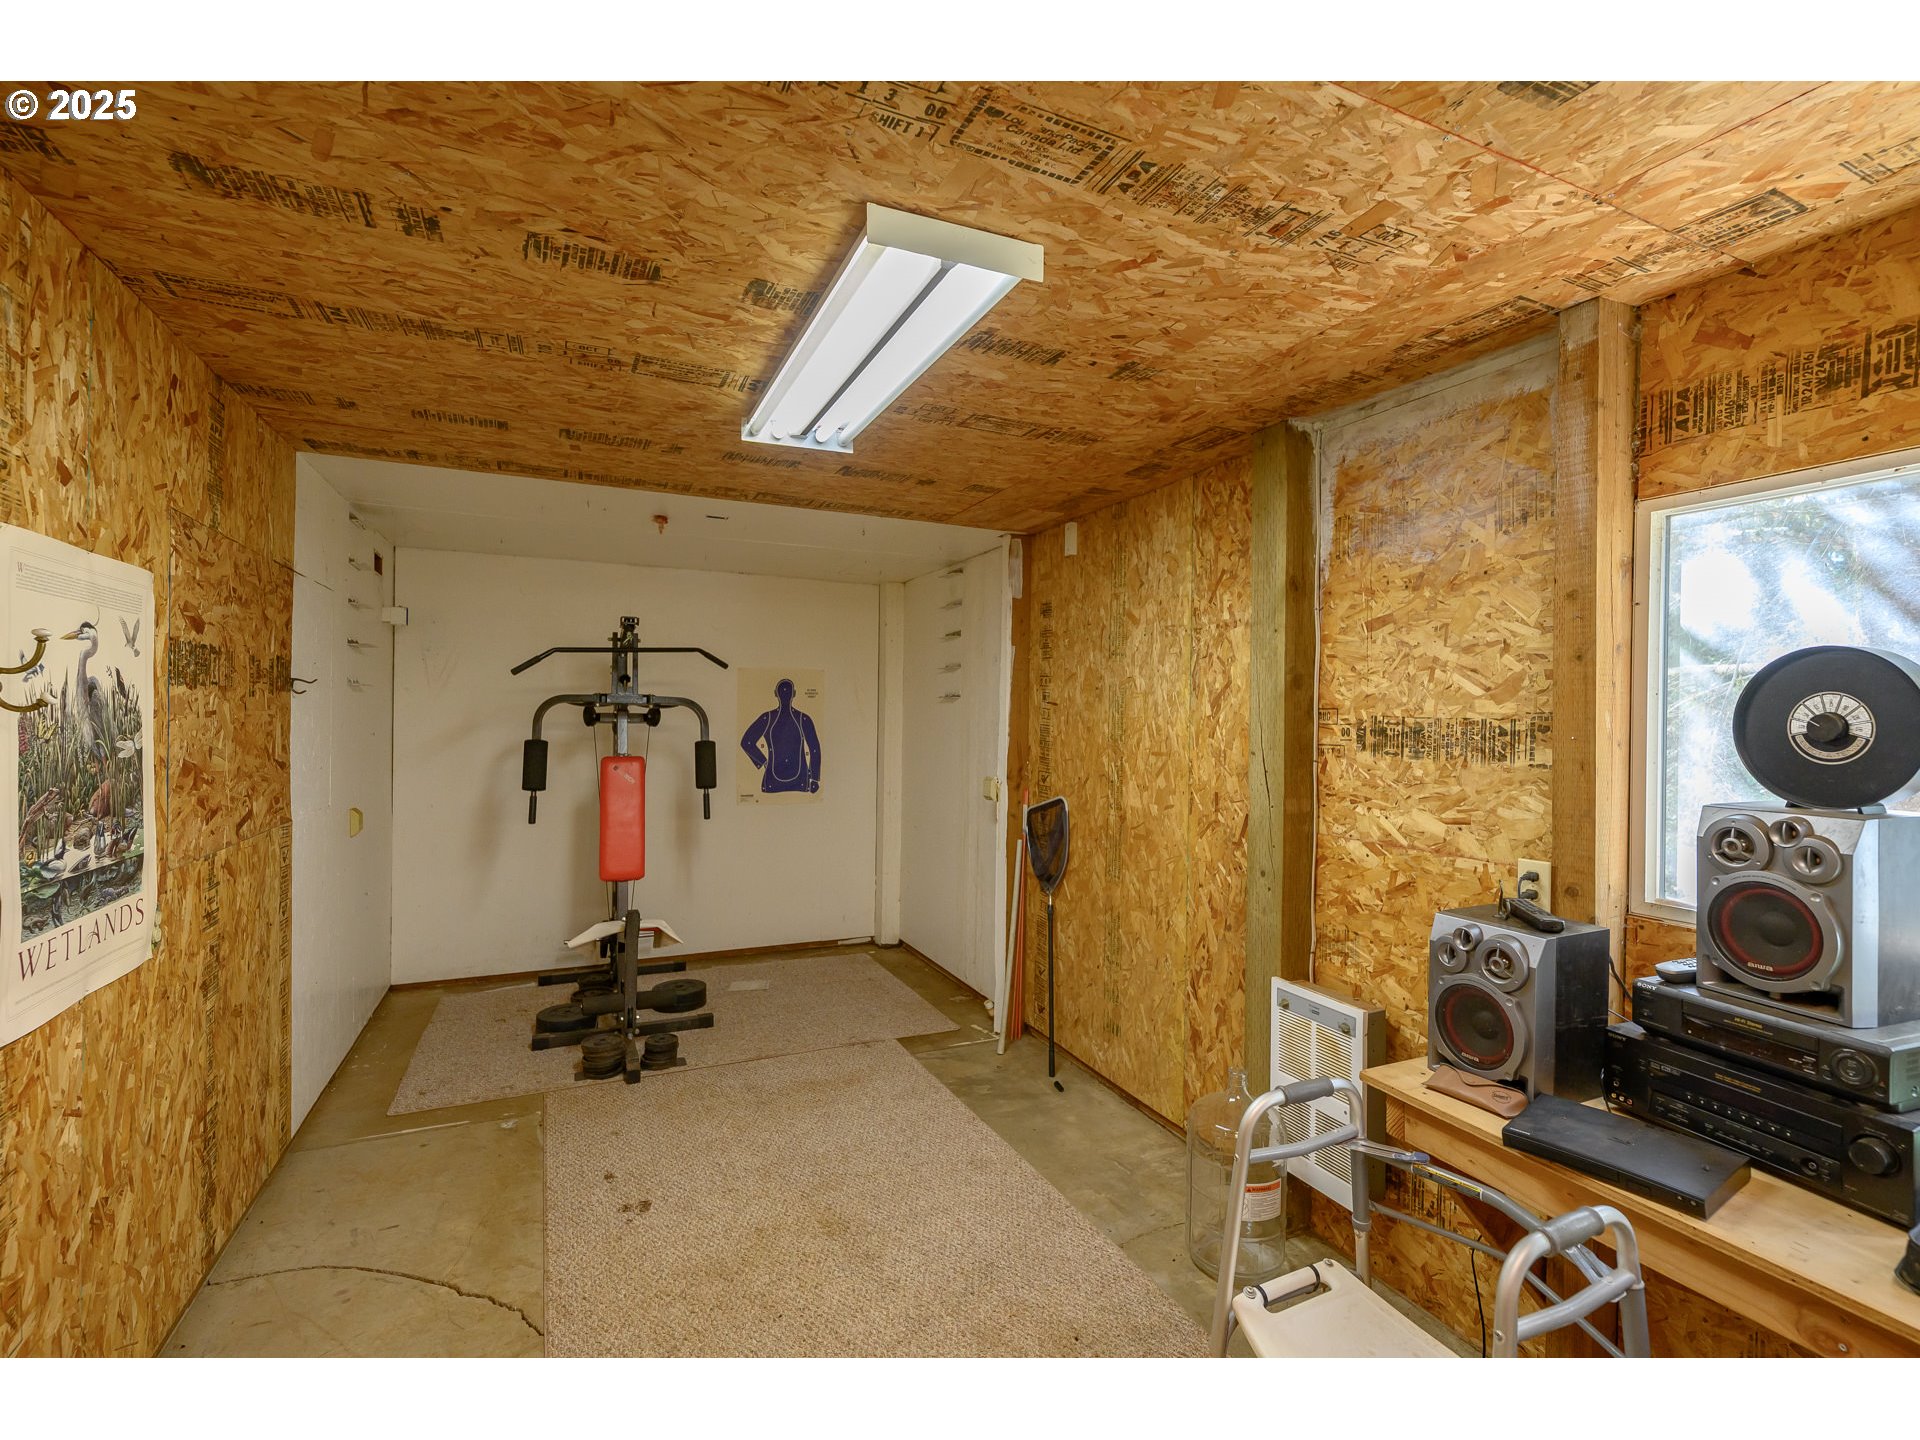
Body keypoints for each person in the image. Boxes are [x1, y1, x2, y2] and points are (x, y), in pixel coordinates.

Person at [739, 677, 821, 794]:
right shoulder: (803, 719)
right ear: (795, 694)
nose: (785, 695)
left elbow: (814, 749)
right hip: (794, 782)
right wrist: (814, 779)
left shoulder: (769, 718)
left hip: (783, 782)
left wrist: (763, 762)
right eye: (783, 691)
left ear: (775, 694)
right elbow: (814, 749)